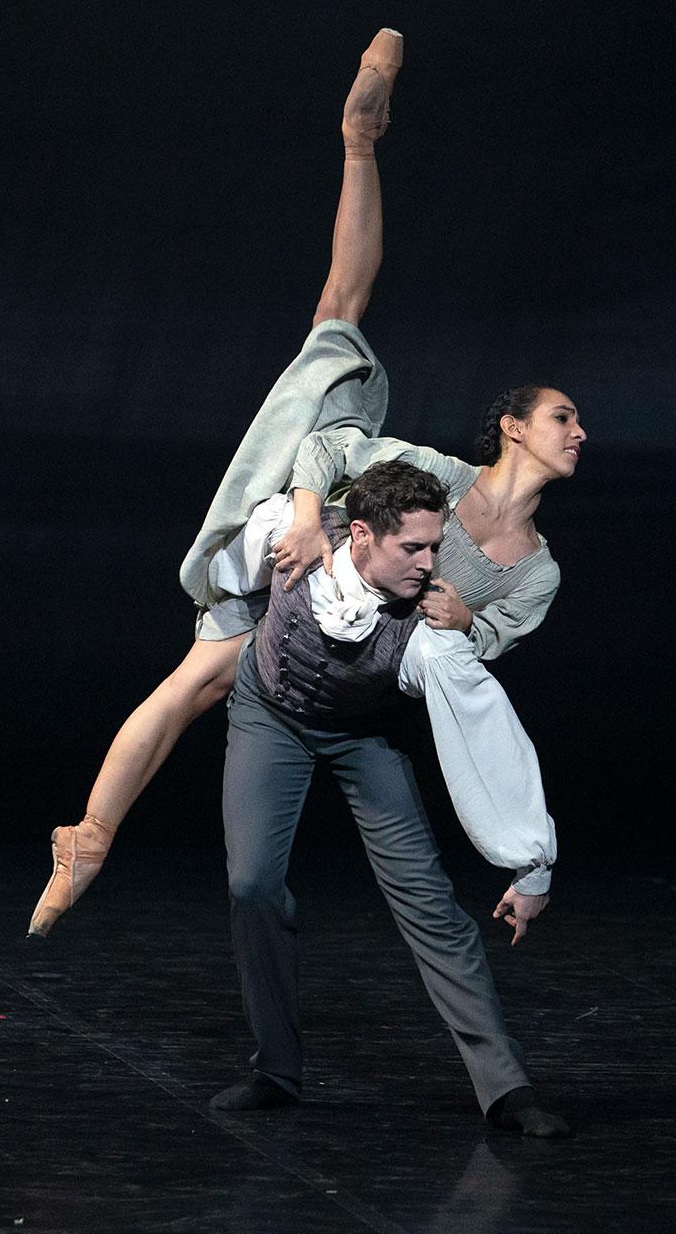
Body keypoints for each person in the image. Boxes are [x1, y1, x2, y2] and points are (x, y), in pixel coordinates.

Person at [29, 27, 587, 938]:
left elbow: (473, 668)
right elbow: (327, 458)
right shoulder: (439, 479)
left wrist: (465, 621)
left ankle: (89, 839)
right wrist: (301, 517)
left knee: (205, 680)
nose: (579, 434)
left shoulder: (537, 572)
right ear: (515, 427)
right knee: (336, 324)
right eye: (564, 417)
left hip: (347, 642)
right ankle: (89, 836)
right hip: (299, 550)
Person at [206, 457, 570, 1136]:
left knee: (429, 903)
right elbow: (229, 559)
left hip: (363, 735)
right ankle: (275, 1070)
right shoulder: (297, 533)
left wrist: (532, 861)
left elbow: (488, 733)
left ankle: (507, 1088)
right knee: (252, 883)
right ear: (364, 534)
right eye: (414, 547)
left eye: (436, 546)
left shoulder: (432, 635)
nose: (430, 563)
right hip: (271, 715)